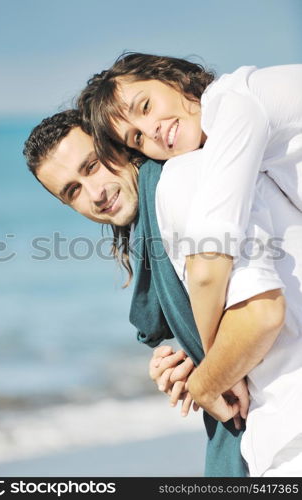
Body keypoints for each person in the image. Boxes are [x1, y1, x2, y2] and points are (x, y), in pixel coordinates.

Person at [23, 110, 302, 476]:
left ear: (117, 147)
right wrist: (184, 350)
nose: (95, 194)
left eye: (92, 166)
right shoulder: (152, 223)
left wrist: (207, 379)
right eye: (73, 191)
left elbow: (258, 312)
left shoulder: (181, 183)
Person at [78, 53, 302, 383]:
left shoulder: (235, 105)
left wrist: (215, 372)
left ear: (173, 78)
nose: (151, 131)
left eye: (145, 106)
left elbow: (212, 258)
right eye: (137, 138)